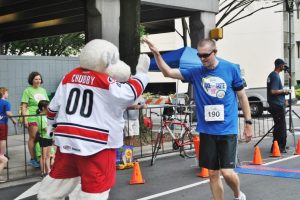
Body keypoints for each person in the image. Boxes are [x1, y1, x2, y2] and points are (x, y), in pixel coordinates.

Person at [37, 39, 150, 200]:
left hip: (67, 139)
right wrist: (142, 74)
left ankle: (46, 196)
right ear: (104, 61)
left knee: (59, 180)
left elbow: (53, 108)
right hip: (97, 143)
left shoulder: (68, 77)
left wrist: (52, 125)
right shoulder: (104, 81)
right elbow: (129, 93)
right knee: (95, 188)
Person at [144, 38, 253, 200]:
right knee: (213, 173)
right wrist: (157, 55)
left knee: (227, 172)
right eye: (199, 56)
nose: (202, 59)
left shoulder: (231, 69)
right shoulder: (196, 72)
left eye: (205, 55)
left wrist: (248, 123)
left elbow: (242, 97)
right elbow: (168, 72)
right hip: (207, 130)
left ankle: (238, 195)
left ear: (215, 52)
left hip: (227, 129)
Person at [21, 72, 49, 168]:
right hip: (32, 116)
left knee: (43, 137)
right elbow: (24, 106)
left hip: (43, 117)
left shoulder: (43, 90)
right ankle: (33, 159)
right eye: (36, 79)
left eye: (39, 79)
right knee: (33, 137)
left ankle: (41, 157)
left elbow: (47, 104)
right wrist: (25, 119)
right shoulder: (27, 90)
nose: (38, 81)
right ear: (31, 80)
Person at [267, 58, 290, 153]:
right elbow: (273, 91)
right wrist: (284, 91)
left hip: (275, 104)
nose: (284, 67)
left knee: (278, 126)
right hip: (277, 105)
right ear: (280, 65)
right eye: (283, 65)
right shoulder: (275, 76)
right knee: (280, 127)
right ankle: (279, 147)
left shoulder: (272, 75)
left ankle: (276, 146)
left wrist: (283, 96)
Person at [0, 87, 16, 183]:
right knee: (2, 140)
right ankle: (2, 157)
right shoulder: (6, 102)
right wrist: (14, 120)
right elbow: (8, 113)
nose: (8, 94)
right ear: (3, 93)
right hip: (2, 124)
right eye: (7, 92)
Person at [36, 100, 52, 177]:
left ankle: (48, 170)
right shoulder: (40, 117)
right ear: (43, 108)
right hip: (44, 138)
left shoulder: (46, 116)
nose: (49, 109)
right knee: (43, 156)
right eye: (47, 107)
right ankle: (43, 171)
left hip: (49, 137)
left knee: (48, 155)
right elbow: (46, 129)